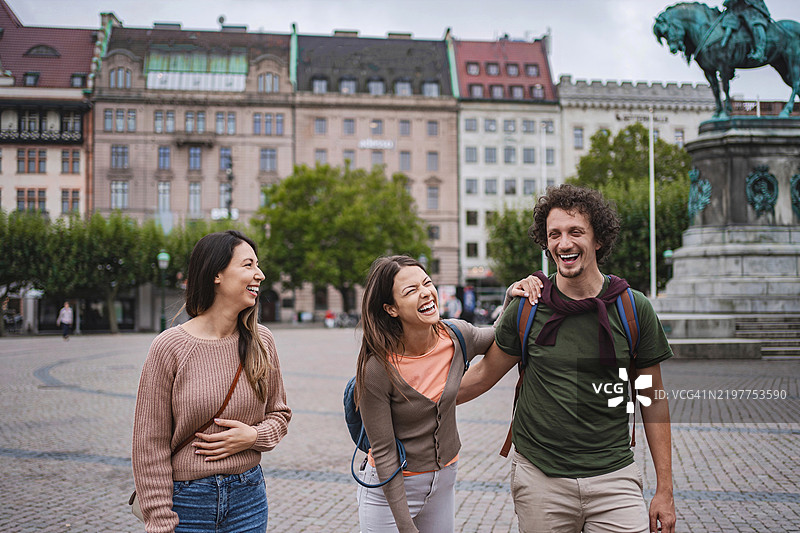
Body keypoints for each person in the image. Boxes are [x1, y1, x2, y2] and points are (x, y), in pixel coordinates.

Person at [459, 184, 676, 533]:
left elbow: (653, 399)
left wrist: (664, 490)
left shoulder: (634, 308)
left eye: (576, 231)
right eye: (554, 234)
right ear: (546, 244)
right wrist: (415, 403)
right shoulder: (528, 306)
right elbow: (484, 375)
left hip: (614, 476)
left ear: (598, 239)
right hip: (540, 478)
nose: (564, 243)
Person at [354, 255, 541, 533]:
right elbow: (383, 452)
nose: (426, 293)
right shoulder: (378, 369)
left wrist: (511, 296)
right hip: (391, 493)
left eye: (427, 283)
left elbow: (500, 334)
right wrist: (405, 526)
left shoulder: (456, 336)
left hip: (443, 481)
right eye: (411, 290)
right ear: (391, 309)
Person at [132, 230, 292, 532]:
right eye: (248, 265)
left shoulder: (262, 340)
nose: (260, 274)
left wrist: (253, 437)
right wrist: (159, 519)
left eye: (257, 265)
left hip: (248, 497)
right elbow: (148, 444)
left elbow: (280, 414)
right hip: (186, 503)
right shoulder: (169, 347)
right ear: (216, 274)